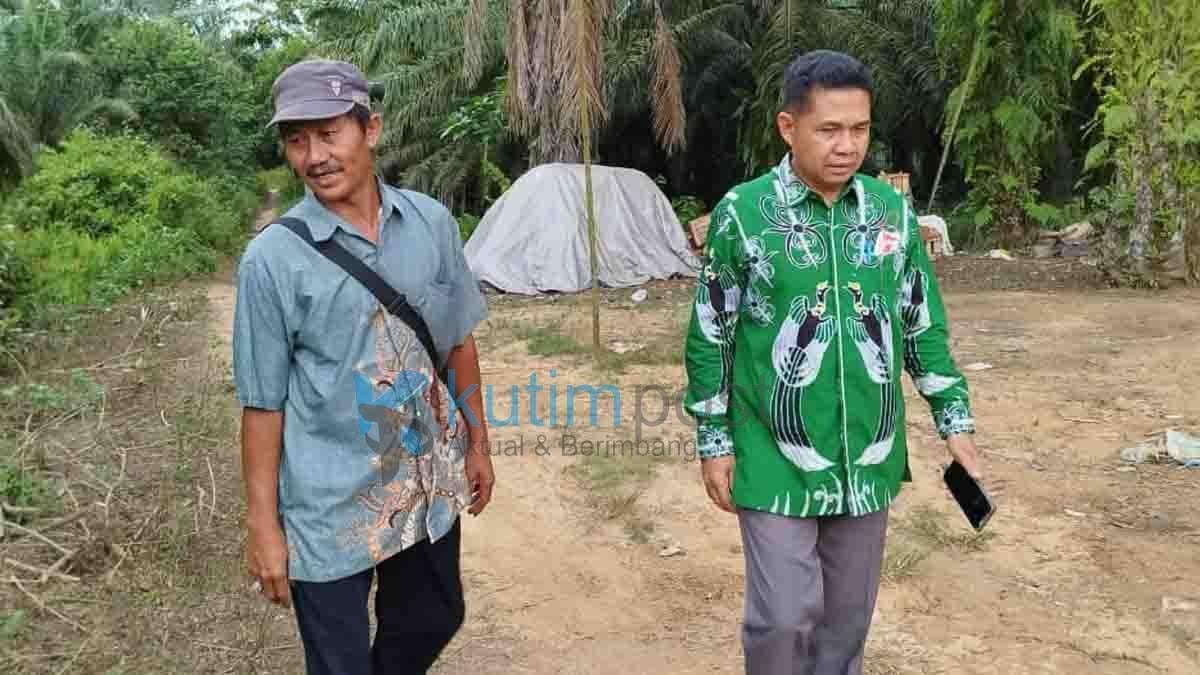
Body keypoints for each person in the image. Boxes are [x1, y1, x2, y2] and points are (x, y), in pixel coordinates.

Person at [682, 50, 982, 675]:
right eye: (830, 129)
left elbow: (920, 320)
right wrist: (714, 438)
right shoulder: (744, 214)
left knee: (847, 621)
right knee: (785, 617)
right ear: (788, 128)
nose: (848, 146)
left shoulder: (889, 212)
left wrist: (953, 417)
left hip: (868, 452)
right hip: (772, 451)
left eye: (861, 129)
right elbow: (712, 331)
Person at [232, 59, 495, 675]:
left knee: (436, 615)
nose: (314, 156)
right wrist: (263, 525)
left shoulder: (429, 222)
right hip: (327, 506)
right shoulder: (271, 260)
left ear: (370, 130)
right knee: (339, 662)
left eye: (329, 134)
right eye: (297, 141)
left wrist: (478, 442)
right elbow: (262, 403)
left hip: (423, 482)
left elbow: (457, 342)